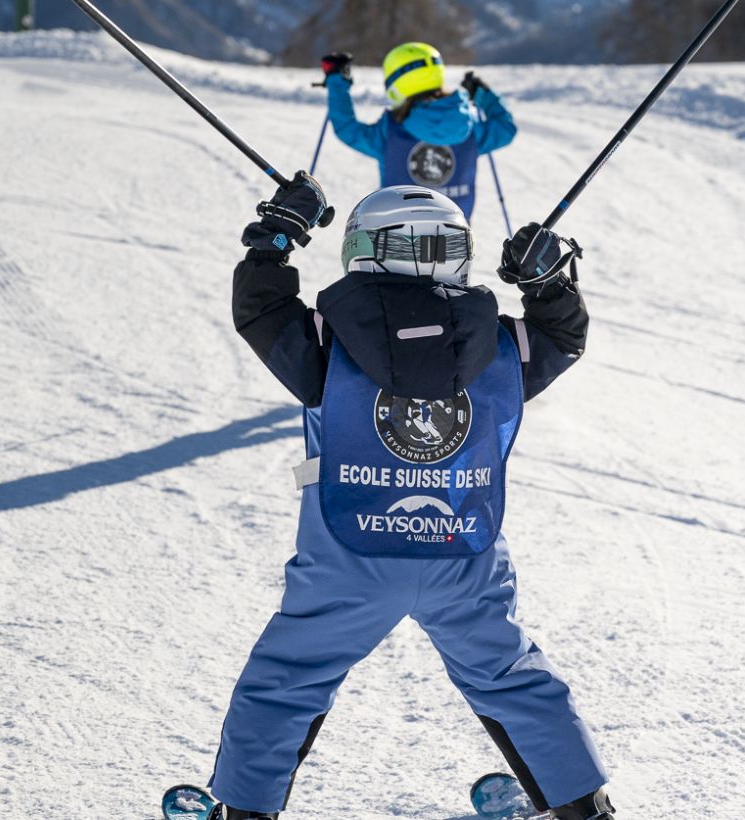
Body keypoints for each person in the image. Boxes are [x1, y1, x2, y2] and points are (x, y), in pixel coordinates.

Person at [206, 172, 614, 820]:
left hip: (348, 557)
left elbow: (259, 309)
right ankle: (582, 809)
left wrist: (277, 237)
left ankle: (245, 811)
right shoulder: (500, 343)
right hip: (461, 555)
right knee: (511, 677)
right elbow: (563, 337)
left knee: (286, 681)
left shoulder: (325, 339)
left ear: (364, 248)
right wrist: (547, 284)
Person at [319, 43, 516, 220]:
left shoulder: (391, 130)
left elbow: (348, 128)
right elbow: (506, 129)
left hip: (397, 238)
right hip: (456, 241)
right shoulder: (468, 127)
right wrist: (483, 95)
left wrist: (337, 80)